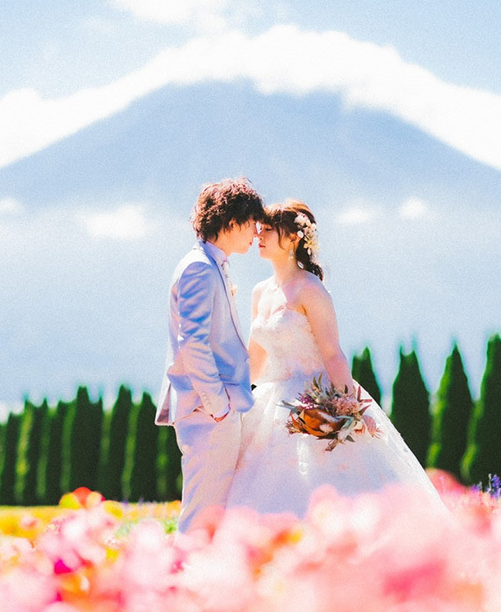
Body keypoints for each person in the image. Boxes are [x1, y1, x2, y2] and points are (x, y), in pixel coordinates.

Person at [226, 199, 451, 518]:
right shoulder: (260, 292)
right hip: (270, 407)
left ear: (293, 238)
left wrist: (348, 406)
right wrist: (231, 397)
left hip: (314, 399)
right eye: (258, 229)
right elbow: (255, 359)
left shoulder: (310, 289)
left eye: (268, 230)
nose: (258, 235)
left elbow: (332, 353)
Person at [156, 178, 266, 533]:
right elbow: (193, 343)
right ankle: (182, 584)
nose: (257, 230)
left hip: (214, 409)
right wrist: (218, 405)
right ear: (231, 222)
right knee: (203, 513)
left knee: (214, 513)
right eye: (252, 222)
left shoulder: (211, 263)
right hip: (207, 412)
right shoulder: (199, 267)